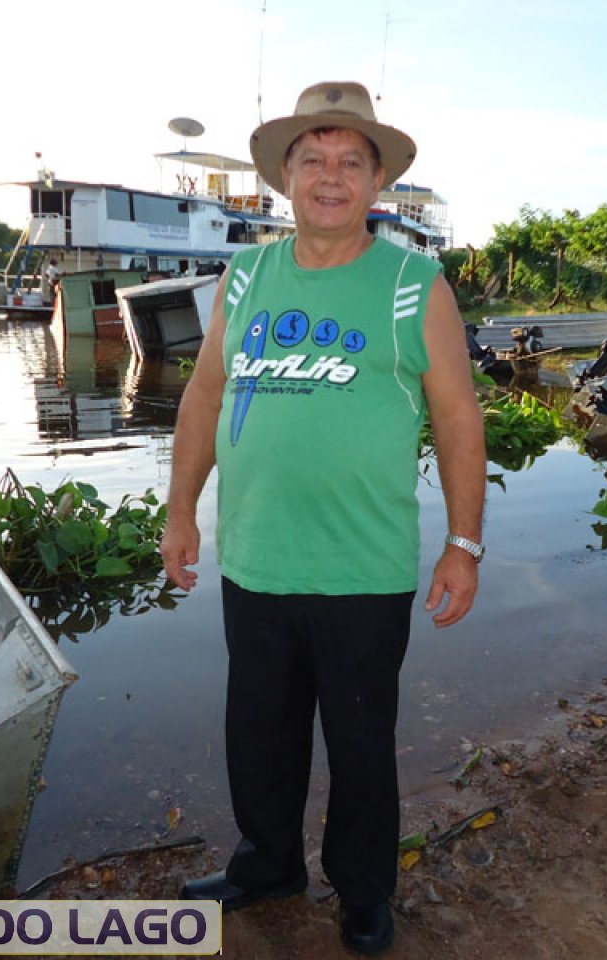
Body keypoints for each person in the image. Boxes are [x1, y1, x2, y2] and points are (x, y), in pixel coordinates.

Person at [160, 80, 485, 956]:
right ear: (286, 177)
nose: (331, 177)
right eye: (314, 160)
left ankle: (364, 891)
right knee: (257, 735)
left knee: (360, 744)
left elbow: (458, 419)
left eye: (350, 161)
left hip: (362, 569)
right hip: (255, 559)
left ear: (377, 182)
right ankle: (268, 864)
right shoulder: (248, 271)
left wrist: (464, 544)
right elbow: (206, 391)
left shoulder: (415, 285)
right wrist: (180, 509)